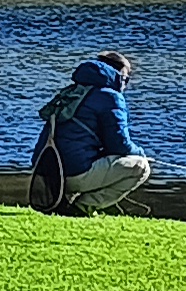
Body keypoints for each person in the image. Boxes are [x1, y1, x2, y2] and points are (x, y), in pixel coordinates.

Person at [50, 53, 153, 214]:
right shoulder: (111, 97)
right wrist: (141, 154)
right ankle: (82, 207)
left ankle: (64, 203)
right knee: (141, 167)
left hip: (47, 172)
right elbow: (120, 145)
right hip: (73, 175)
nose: (125, 85)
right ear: (117, 75)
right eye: (126, 79)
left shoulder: (74, 90)